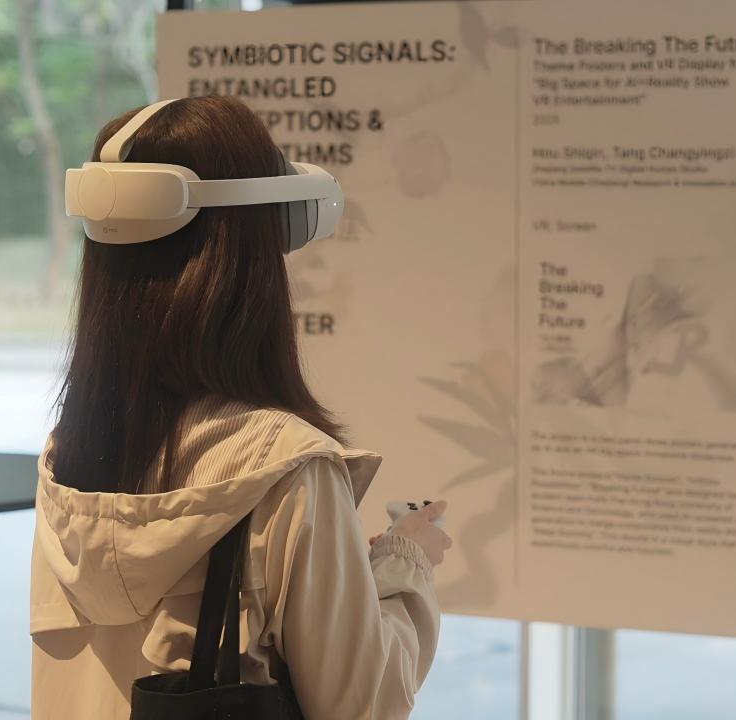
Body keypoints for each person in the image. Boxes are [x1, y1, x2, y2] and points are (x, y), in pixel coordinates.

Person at [29, 96, 452, 719]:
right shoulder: (285, 469)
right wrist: (405, 564)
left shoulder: (71, 452)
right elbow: (362, 704)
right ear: (252, 254)